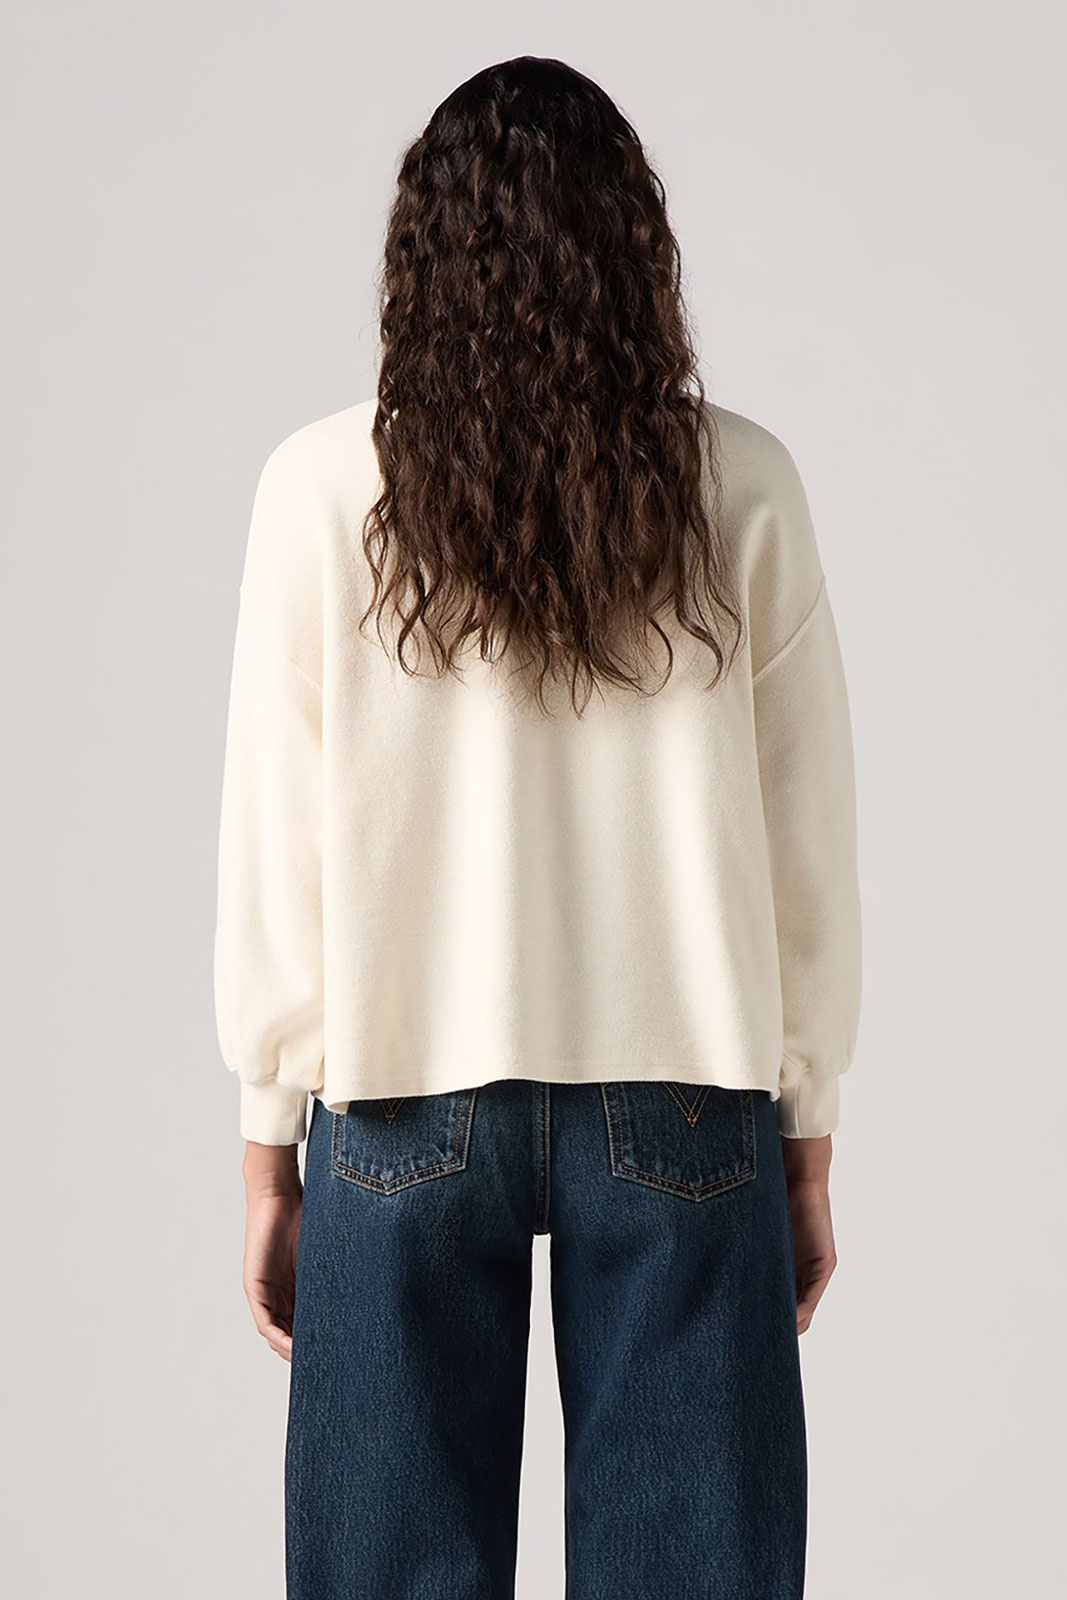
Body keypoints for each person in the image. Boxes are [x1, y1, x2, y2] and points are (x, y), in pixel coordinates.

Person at [213, 55, 862, 1600]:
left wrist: (267, 1148)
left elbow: (276, 844)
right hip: (688, 1094)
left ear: (419, 261)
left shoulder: (321, 490)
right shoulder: (740, 485)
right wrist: (808, 1135)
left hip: (398, 1100)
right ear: (637, 253)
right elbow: (805, 834)